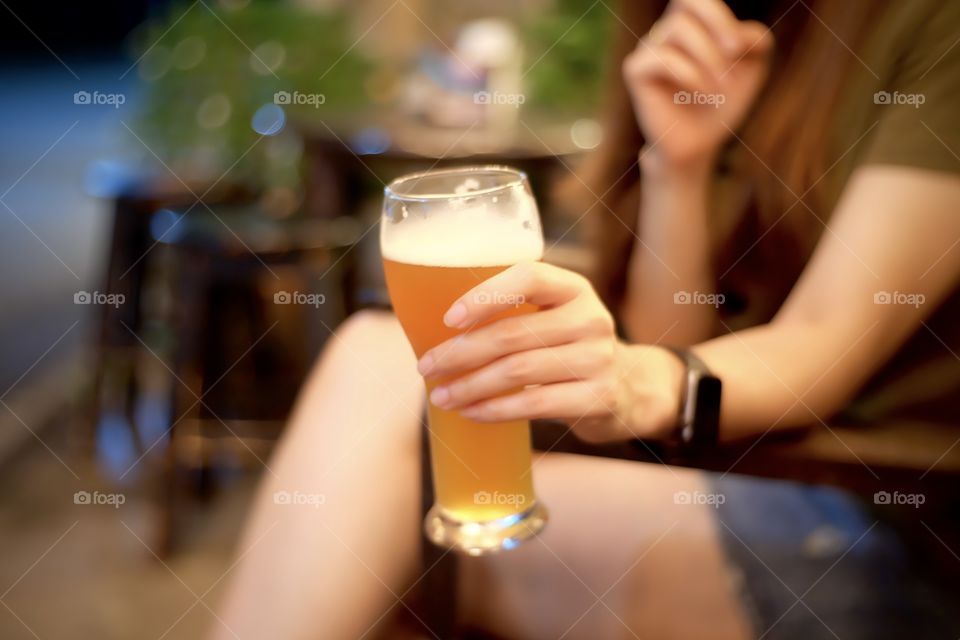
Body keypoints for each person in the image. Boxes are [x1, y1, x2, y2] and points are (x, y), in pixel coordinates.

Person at [213, 0, 960, 637]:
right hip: (727, 469)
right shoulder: (700, 30)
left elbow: (822, 340)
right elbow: (680, 355)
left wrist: (631, 380)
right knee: (375, 359)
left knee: (361, 509)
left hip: (886, 522)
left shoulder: (933, 27)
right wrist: (679, 164)